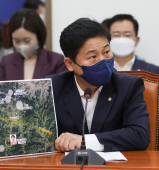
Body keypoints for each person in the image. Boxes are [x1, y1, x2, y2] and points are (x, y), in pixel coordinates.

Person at [47, 18, 150, 152]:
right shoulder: (50, 88)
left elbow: (139, 136)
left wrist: (85, 141)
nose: (103, 61)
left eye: (106, 52)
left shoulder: (128, 86)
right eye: (93, 57)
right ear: (70, 64)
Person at [0, 9, 67, 81]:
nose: (22, 45)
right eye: (17, 41)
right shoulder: (6, 61)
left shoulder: (56, 60)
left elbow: (63, 90)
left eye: (27, 41)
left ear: (38, 36)